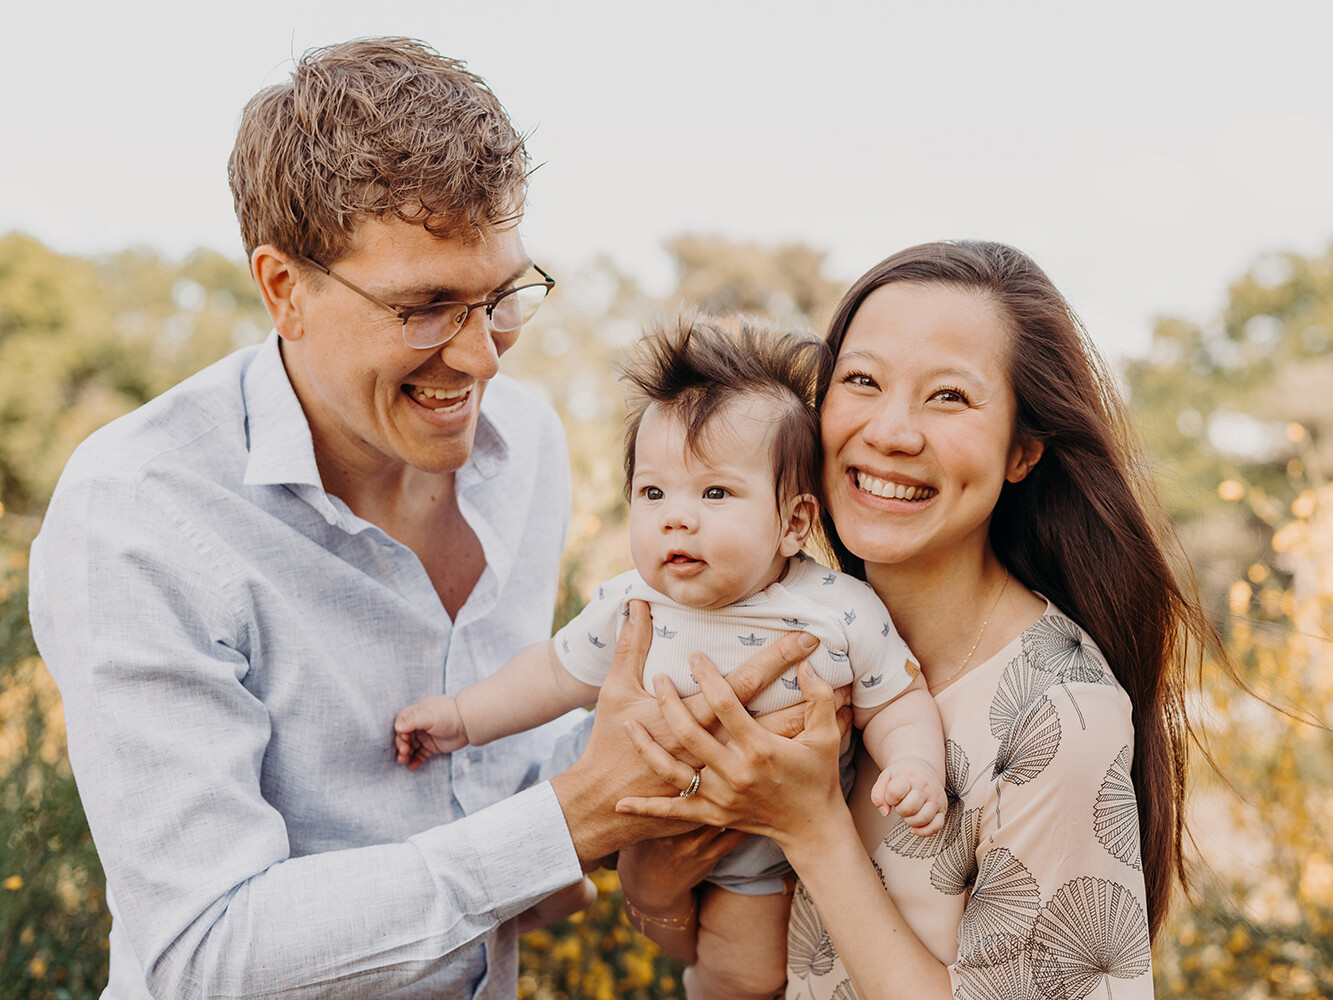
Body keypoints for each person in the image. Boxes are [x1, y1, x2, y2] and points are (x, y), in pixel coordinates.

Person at [26, 37, 820, 999]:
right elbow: (205, 949)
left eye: (501, 297)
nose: (483, 357)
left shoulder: (524, 444)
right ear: (285, 289)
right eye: (427, 308)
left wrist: (710, 721)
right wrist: (573, 820)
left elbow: (516, 786)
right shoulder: (139, 514)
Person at [615, 240, 1207, 1000]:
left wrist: (811, 828)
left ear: (1022, 449)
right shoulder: (780, 637)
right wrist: (654, 884)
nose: (891, 432)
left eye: (949, 397)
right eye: (860, 381)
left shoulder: (1058, 716)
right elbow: (715, 951)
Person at [393, 314, 947, 1000]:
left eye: (715, 493)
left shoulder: (836, 610)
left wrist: (916, 764)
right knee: (552, 776)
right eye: (653, 493)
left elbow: (895, 699)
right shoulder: (634, 603)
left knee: (744, 975)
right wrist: (460, 716)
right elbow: (552, 674)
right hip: (627, 801)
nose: (675, 518)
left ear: (793, 522)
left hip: (756, 850)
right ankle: (549, 884)